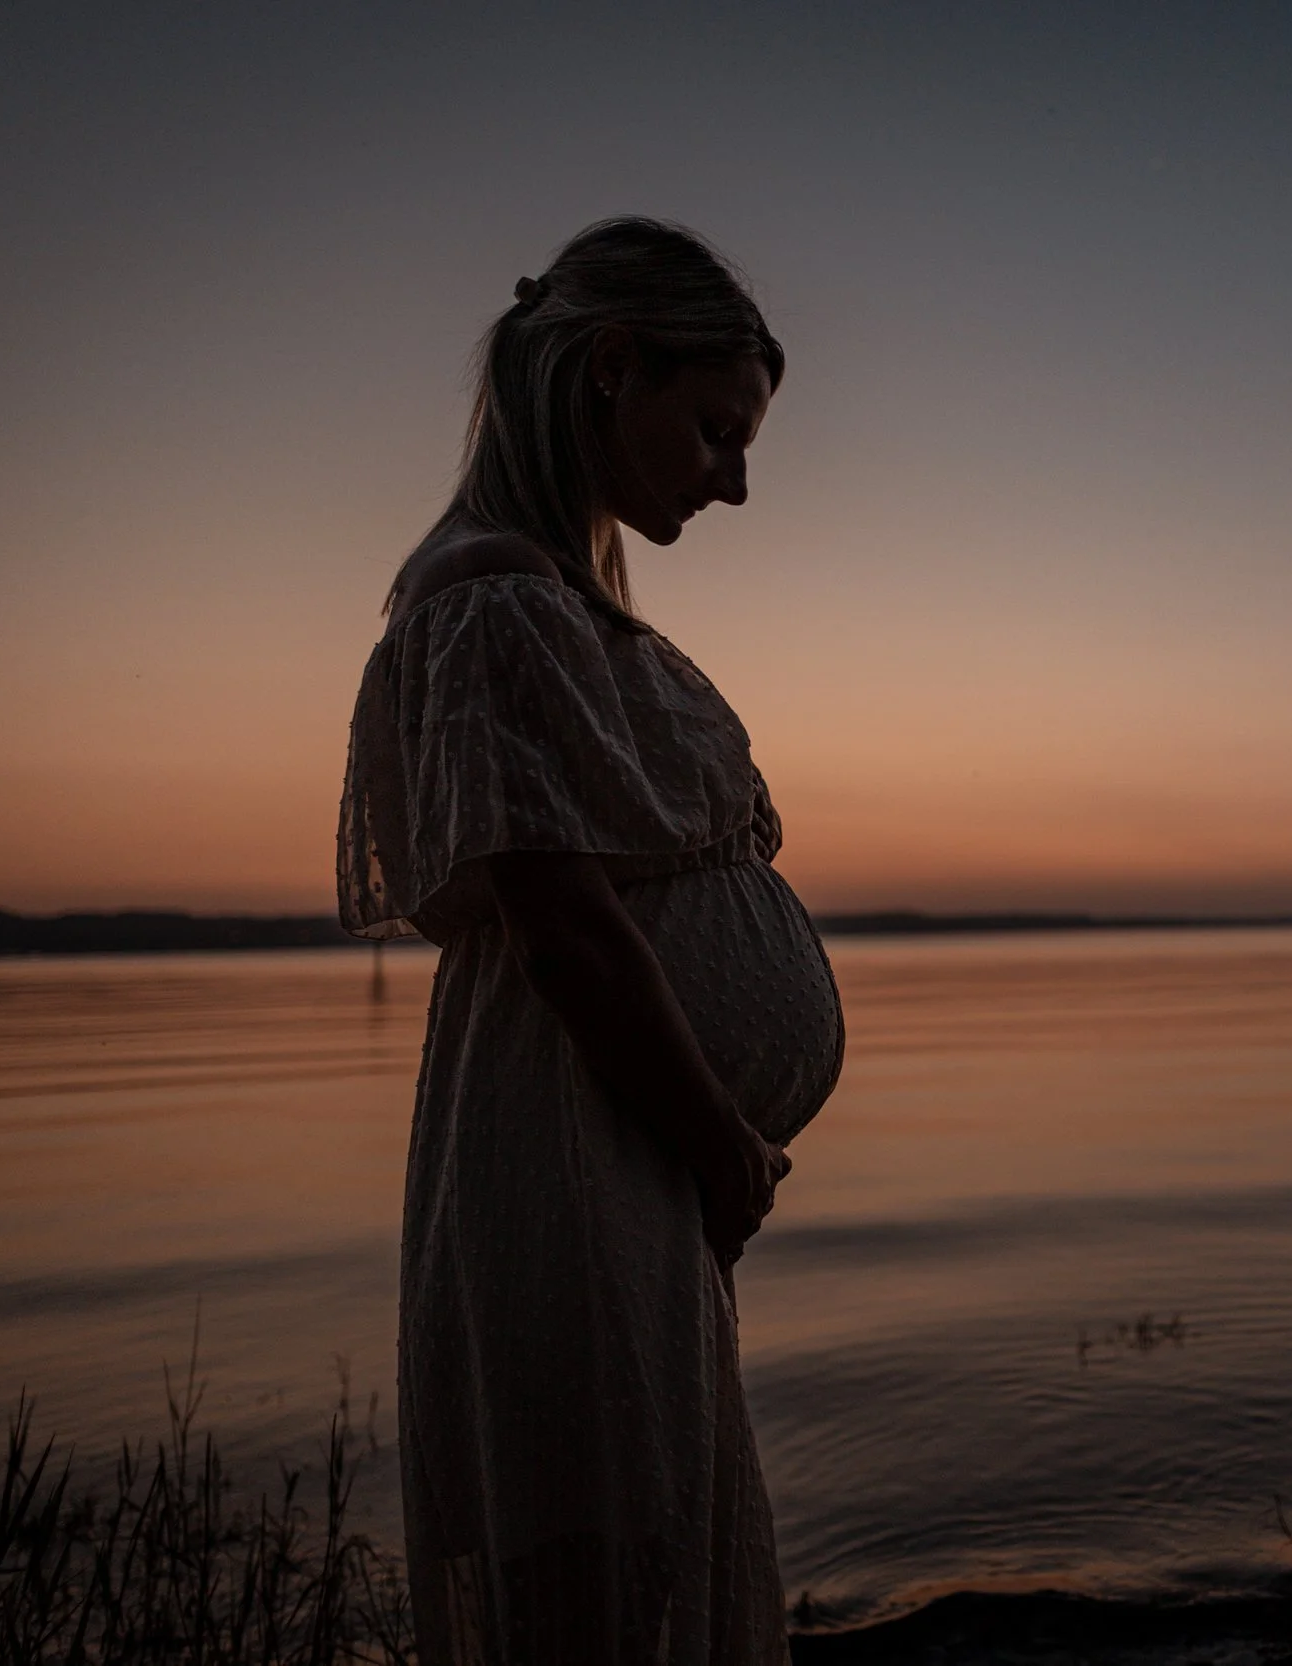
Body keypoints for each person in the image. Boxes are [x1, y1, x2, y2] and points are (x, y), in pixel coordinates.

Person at [337, 217, 842, 1665]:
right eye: (716, 432)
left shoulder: (543, 592)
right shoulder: (494, 598)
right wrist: (721, 1143)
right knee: (604, 1588)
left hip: (613, 1157)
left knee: (648, 1565)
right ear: (612, 367)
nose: (736, 482)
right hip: (573, 1155)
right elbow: (567, 932)